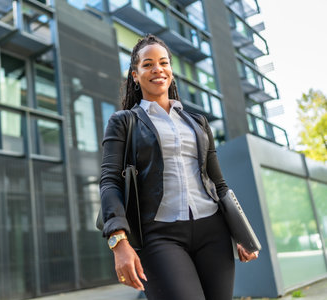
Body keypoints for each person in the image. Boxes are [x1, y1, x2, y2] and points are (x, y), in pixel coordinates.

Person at [99, 34, 259, 300]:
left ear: (171, 71)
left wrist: (242, 232)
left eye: (163, 62)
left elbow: (218, 184)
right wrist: (118, 241)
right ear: (135, 75)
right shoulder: (124, 122)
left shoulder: (198, 123)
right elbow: (109, 181)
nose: (157, 69)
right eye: (147, 64)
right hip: (159, 236)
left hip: (213, 232)